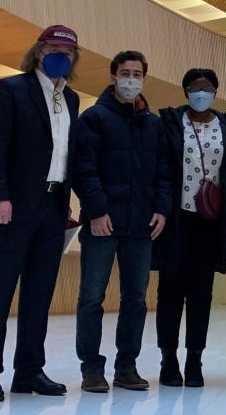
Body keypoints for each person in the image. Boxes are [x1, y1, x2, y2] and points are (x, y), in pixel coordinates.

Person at [0, 25, 80, 402]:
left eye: (68, 50)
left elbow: (65, 154)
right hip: (11, 207)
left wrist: (68, 204)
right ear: (38, 51)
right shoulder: (11, 89)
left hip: (52, 208)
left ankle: (29, 371)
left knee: (39, 294)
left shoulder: (73, 100)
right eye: (54, 48)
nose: (61, 55)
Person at [73, 50, 172, 393]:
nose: (131, 79)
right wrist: (97, 211)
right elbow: (83, 169)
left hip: (140, 226)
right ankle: (91, 368)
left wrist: (162, 208)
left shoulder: (153, 124)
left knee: (135, 299)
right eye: (125, 73)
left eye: (137, 74)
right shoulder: (94, 118)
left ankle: (127, 366)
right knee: (91, 297)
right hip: (102, 224)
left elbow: (164, 171)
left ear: (144, 78)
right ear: (114, 75)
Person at [154, 68, 226, 388]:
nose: (201, 93)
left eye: (207, 87)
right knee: (170, 291)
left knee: (200, 294)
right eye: (195, 87)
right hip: (177, 220)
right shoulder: (170, 122)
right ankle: (169, 358)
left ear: (216, 91)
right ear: (185, 91)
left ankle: (195, 358)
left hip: (211, 223)